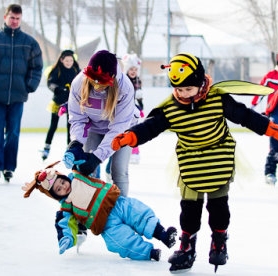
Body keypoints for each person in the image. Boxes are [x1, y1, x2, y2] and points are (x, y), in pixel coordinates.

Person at [111, 53, 278, 273]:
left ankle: (219, 241)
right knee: (189, 208)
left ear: (200, 84)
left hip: (218, 157)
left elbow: (244, 116)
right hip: (190, 161)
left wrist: (271, 129)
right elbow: (151, 126)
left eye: (188, 89)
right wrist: (131, 136)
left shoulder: (217, 98)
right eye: (179, 90)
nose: (183, 94)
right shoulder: (170, 107)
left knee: (218, 206)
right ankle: (187, 246)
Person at [22, 161, 177, 261]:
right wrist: (66, 239)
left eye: (62, 182)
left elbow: (85, 161)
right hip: (106, 225)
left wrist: (75, 154)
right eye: (59, 189)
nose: (64, 186)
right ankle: (149, 253)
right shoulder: (65, 206)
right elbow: (65, 224)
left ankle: (163, 234)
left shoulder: (77, 175)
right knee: (123, 242)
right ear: (56, 195)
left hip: (118, 203)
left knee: (140, 215)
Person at [0, 4, 43, 183]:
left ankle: (9, 167)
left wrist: (28, 86)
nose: (14, 21)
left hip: (17, 97)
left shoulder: (29, 43)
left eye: (18, 19)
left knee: (13, 132)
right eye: (12, 17)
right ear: (5, 17)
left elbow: (37, 67)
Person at [63, 49, 140, 197]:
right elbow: (78, 118)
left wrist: (98, 157)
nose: (97, 86)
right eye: (93, 81)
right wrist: (76, 143)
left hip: (123, 130)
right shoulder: (79, 83)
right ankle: (88, 210)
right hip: (94, 127)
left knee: (118, 171)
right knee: (86, 171)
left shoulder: (125, 87)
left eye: (102, 83)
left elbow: (118, 128)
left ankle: (121, 210)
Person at [104, 53, 143, 180]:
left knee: (128, 138)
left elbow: (139, 97)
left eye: (135, 70)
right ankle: (109, 168)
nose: (133, 72)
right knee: (117, 140)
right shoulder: (122, 80)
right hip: (121, 114)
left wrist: (141, 107)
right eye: (131, 69)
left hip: (133, 113)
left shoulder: (138, 81)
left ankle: (121, 166)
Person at [41, 50, 81, 161]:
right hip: (58, 102)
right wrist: (57, 88)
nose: (69, 62)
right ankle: (47, 146)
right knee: (53, 125)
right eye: (67, 60)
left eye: (71, 60)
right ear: (62, 60)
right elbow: (51, 82)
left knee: (70, 127)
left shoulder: (76, 70)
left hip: (72, 103)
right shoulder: (57, 70)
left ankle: (69, 149)